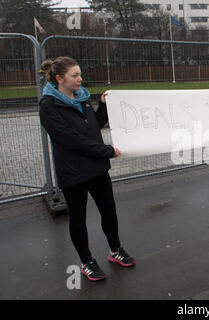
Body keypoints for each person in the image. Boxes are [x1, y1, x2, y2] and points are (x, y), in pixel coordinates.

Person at [39, 56, 135, 281]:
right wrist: (107, 151)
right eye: (75, 75)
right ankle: (86, 261)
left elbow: (93, 126)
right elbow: (71, 140)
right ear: (60, 78)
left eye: (80, 74)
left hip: (97, 169)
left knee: (108, 210)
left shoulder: (81, 98)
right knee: (78, 218)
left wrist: (102, 107)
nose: (80, 79)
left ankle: (115, 250)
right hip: (73, 172)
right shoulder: (49, 106)